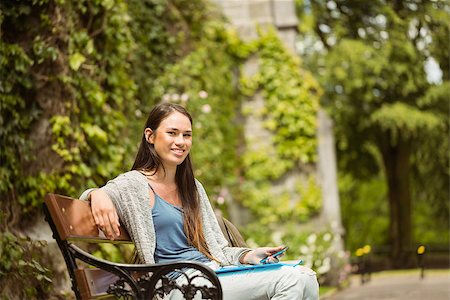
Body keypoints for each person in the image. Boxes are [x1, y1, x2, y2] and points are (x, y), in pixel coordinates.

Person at [84, 103, 319, 299]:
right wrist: (98, 193)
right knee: (291, 280)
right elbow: (90, 197)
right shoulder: (134, 184)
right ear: (150, 136)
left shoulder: (193, 188)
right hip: (178, 286)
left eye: (187, 135)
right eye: (172, 133)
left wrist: (247, 255)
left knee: (306, 277)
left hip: (212, 274)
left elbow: (216, 249)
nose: (181, 141)